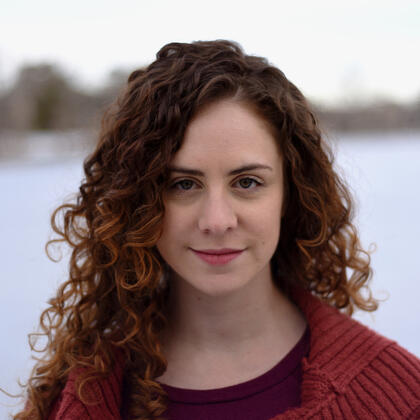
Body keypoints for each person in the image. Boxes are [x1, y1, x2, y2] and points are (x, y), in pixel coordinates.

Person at [14, 40, 420, 420]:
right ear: (137, 203)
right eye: (183, 184)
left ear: (292, 194)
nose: (217, 221)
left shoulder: (402, 398)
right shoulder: (79, 393)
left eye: (247, 182)